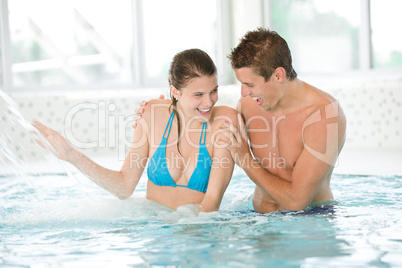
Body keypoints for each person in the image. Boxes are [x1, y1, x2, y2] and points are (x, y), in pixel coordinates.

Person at [136, 28, 346, 214]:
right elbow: (201, 118)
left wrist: (245, 158)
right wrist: (160, 109)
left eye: (250, 84)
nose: (243, 92)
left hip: (310, 219)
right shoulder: (248, 105)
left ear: (278, 75)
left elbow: (297, 202)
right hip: (257, 216)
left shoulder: (326, 117)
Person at [33, 48, 238, 213]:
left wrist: (181, 232)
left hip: (198, 231)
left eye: (214, 91)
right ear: (175, 91)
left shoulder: (224, 121)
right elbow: (123, 187)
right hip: (153, 228)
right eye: (199, 94)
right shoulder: (151, 113)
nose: (209, 101)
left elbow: (210, 204)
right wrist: (72, 156)